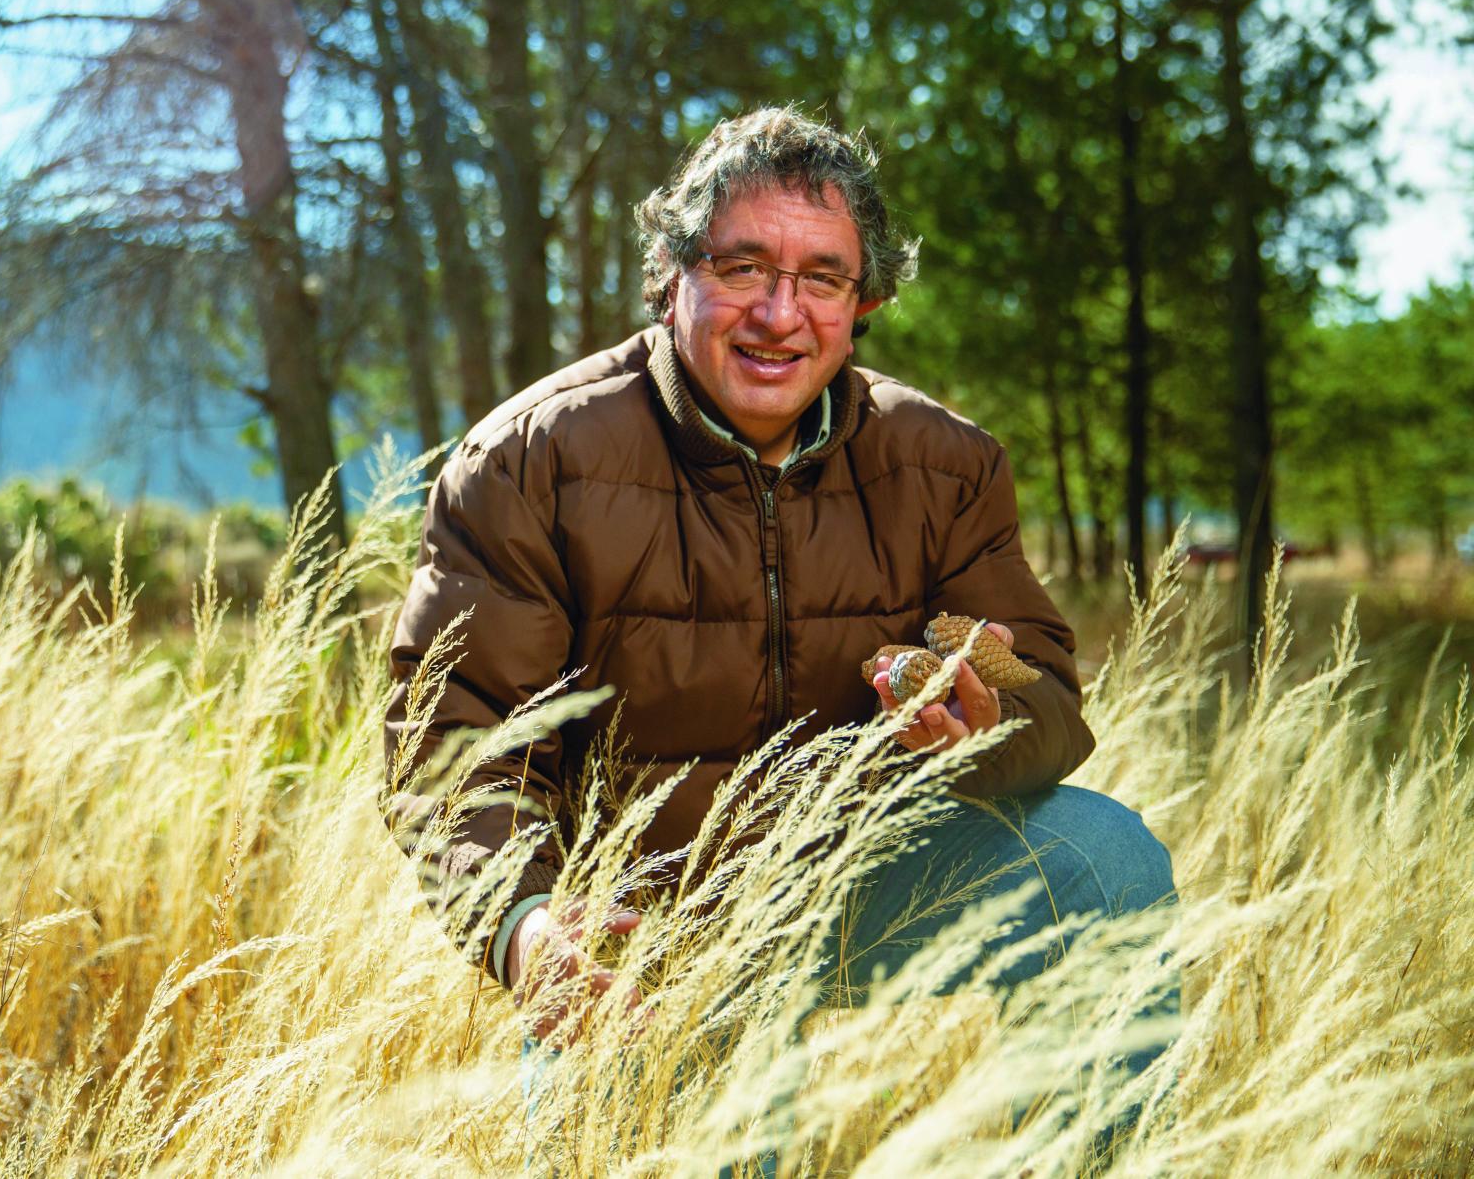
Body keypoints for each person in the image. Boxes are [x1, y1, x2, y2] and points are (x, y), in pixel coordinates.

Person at [380, 106, 1177, 1157]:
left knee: (1102, 855)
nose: (778, 312)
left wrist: (984, 723)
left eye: (820, 278)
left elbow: (1044, 696)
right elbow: (455, 749)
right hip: (644, 934)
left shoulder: (944, 464)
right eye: (743, 266)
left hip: (862, 884)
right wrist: (525, 926)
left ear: (865, 301)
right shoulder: (530, 460)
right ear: (672, 275)